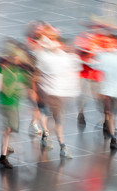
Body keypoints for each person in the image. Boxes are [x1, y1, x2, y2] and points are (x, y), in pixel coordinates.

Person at [0, 39, 35, 169]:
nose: (17, 59)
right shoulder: (2, 68)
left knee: (10, 129)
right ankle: (4, 155)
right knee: (9, 129)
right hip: (5, 103)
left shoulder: (17, 70)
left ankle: (4, 151)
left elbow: (26, 83)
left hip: (12, 104)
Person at [33, 24, 82, 158]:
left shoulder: (58, 54)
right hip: (45, 90)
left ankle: (57, 141)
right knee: (46, 113)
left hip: (55, 92)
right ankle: (53, 138)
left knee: (57, 118)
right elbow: (38, 71)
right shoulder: (42, 53)